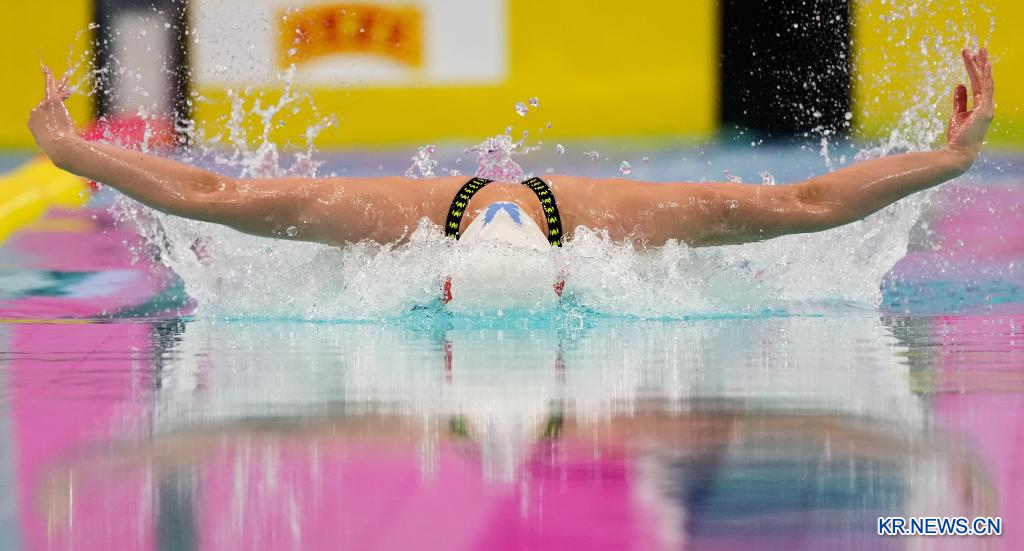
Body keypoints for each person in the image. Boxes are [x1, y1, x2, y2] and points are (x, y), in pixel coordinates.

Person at [28, 49, 994, 252]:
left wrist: (84, 155)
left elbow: (807, 204)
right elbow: (209, 192)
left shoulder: (611, 222)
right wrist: (77, 153)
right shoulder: (403, 221)